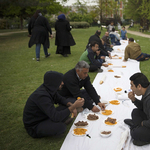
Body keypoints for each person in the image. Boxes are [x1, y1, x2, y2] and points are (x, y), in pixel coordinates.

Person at [23, 71, 84, 138]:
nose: (63, 83)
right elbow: (55, 116)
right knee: (61, 127)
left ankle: (57, 122)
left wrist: (71, 105)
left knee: (67, 104)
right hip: (35, 125)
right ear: (54, 82)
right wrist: (74, 106)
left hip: (45, 115)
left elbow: (61, 99)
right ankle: (53, 126)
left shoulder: (49, 89)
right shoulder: (42, 96)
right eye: (60, 81)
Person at [124, 73, 150, 146]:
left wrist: (143, 123)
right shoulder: (146, 91)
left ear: (139, 86)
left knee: (135, 133)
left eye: (132, 85)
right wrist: (134, 99)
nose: (131, 88)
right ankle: (136, 127)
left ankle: (136, 128)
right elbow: (143, 107)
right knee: (135, 112)